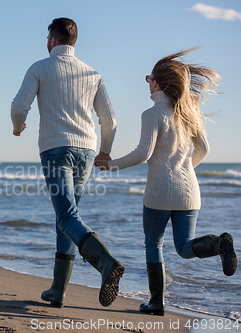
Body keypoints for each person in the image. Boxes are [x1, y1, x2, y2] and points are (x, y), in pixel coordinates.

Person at [95, 47, 238, 316]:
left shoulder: (152, 114)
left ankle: (157, 303)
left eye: (149, 78)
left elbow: (143, 153)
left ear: (158, 83)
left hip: (159, 193)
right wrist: (184, 170)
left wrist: (110, 165)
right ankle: (218, 244)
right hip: (189, 192)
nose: (148, 83)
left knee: (154, 245)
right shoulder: (188, 113)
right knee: (184, 247)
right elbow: (204, 149)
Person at [11, 17, 123, 308]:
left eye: (47, 37)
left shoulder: (40, 67)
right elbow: (109, 120)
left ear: (52, 39)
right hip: (86, 151)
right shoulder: (92, 73)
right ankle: (58, 290)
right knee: (68, 217)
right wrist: (105, 151)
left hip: (55, 149)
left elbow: (19, 106)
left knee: (66, 217)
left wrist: (17, 127)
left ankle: (106, 262)